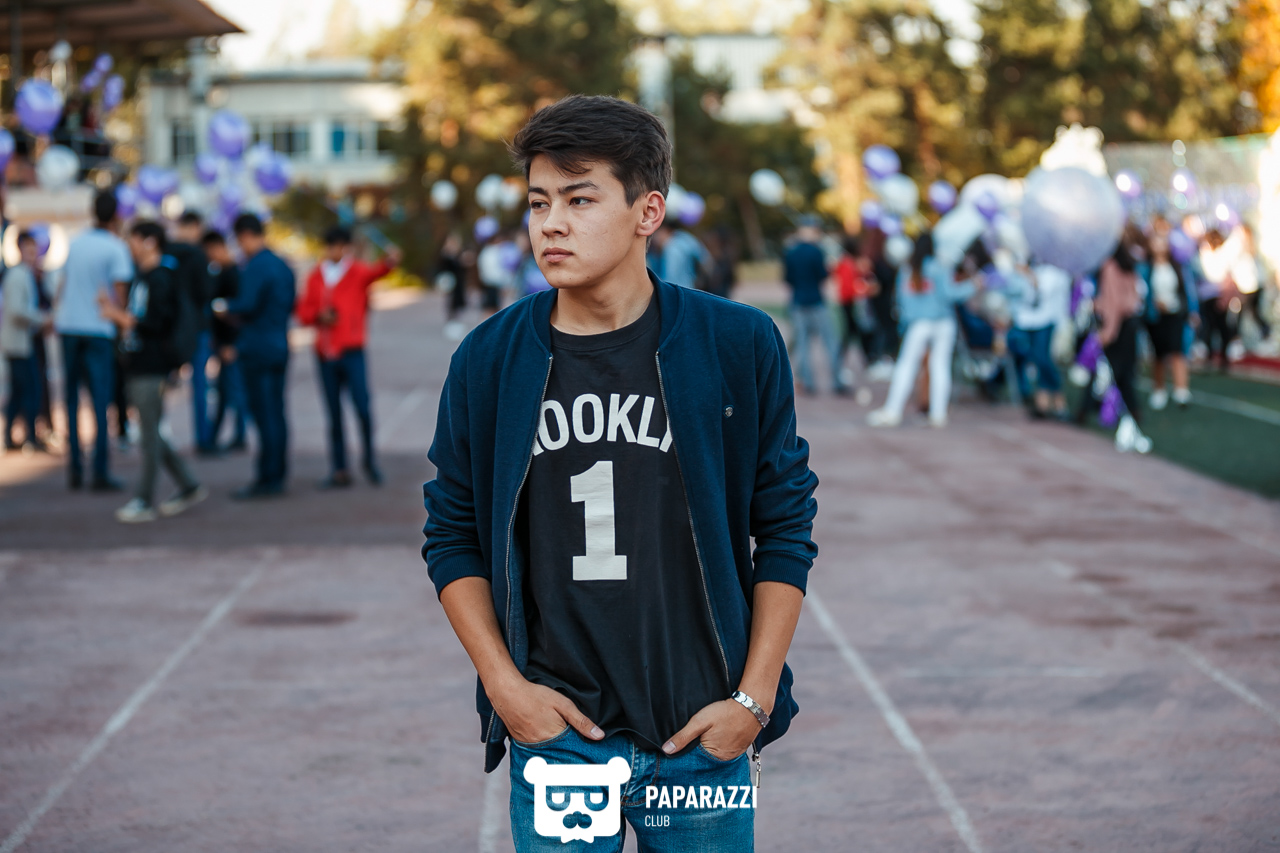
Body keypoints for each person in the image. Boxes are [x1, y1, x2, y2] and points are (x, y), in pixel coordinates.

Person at [422, 95, 818, 853]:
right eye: (538, 202)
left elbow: (785, 526)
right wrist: (507, 690)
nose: (551, 223)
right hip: (559, 735)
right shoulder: (490, 359)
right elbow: (452, 534)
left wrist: (753, 699)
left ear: (648, 212)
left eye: (579, 199)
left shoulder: (736, 342)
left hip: (701, 733)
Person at [96, 221, 206, 523]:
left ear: (149, 241)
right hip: (140, 363)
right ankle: (188, 484)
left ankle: (144, 498)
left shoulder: (160, 278)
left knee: (149, 435)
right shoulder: (143, 277)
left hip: (152, 365)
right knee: (151, 431)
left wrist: (119, 317)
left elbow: (155, 323)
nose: (129, 247)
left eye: (132, 240)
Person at [295, 226, 400, 488]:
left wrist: (391, 259)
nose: (336, 251)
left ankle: (369, 461)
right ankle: (339, 468)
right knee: (334, 413)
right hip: (325, 353)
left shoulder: (356, 271)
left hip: (352, 350)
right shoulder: (315, 276)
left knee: (362, 407)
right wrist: (319, 316)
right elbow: (303, 312)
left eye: (340, 246)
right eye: (332, 246)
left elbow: (380, 270)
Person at [54, 189, 134, 491]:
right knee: (101, 401)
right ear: (116, 215)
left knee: (72, 400)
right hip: (98, 329)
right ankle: (100, 470)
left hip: (69, 327)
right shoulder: (115, 247)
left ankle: (75, 467)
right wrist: (123, 324)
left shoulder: (75, 243)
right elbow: (120, 294)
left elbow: (63, 285)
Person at [215, 213, 295, 499]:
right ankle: (277, 473)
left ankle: (268, 477)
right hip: (279, 343)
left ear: (245, 236)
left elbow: (246, 304)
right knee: (277, 411)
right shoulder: (282, 265)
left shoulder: (256, 266)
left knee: (264, 414)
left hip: (258, 347)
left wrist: (224, 308)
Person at [867, 232, 974, 428]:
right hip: (943, 322)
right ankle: (938, 414)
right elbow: (950, 295)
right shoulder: (939, 267)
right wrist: (972, 285)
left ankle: (893, 410)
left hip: (918, 324)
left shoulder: (908, 270)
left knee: (906, 366)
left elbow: (901, 302)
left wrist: (904, 325)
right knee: (940, 367)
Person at [1096, 237, 1152, 453]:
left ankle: (1128, 413)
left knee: (1118, 373)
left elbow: (1113, 302)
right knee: (1125, 372)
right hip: (1131, 324)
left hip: (1118, 327)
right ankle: (1130, 412)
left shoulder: (1110, 266)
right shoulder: (1129, 265)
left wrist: (1108, 331)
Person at [168, 211, 217, 455]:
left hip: (170, 326)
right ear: (195, 226)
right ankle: (203, 439)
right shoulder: (198, 255)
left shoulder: (166, 251)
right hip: (196, 326)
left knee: (163, 385)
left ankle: (161, 439)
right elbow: (205, 292)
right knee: (200, 385)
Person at [784, 218, 847, 395]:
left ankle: (808, 381)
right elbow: (822, 275)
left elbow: (787, 278)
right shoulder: (816, 251)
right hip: (816, 301)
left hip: (798, 301)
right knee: (830, 342)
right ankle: (837, 380)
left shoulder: (791, 252)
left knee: (803, 345)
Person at [2, 232, 51, 452]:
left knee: (20, 391)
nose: (32, 253)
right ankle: (29, 436)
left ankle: (13, 436)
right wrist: (41, 319)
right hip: (18, 345)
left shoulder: (25, 274)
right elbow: (16, 310)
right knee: (29, 390)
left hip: (21, 343)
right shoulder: (17, 275)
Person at [1141, 231, 1198, 410]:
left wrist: (1193, 311)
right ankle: (1159, 389)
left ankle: (1181, 390)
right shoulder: (1146, 268)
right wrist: (1153, 304)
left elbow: (1188, 290)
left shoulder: (1178, 266)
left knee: (1177, 350)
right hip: (1156, 317)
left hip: (1175, 314)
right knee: (1159, 353)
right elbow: (1142, 291)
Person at [1008, 261, 1072, 419]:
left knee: (1043, 360)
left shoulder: (1057, 271)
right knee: (1036, 360)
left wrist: (1028, 273)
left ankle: (1057, 400)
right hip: (1029, 321)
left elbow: (1043, 290)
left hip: (1046, 321)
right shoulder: (1037, 266)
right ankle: (1043, 402)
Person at [202, 229, 247, 452]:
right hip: (224, 342)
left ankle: (237, 436)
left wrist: (230, 343)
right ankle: (217, 437)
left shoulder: (233, 274)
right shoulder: (221, 272)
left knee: (233, 391)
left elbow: (237, 314)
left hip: (231, 343)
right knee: (225, 391)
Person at [652, 221, 712, 290]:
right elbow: (705, 259)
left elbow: (669, 277)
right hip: (689, 288)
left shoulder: (670, 248)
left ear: (664, 230)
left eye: (656, 234)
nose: (655, 239)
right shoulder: (684, 238)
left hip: (675, 290)